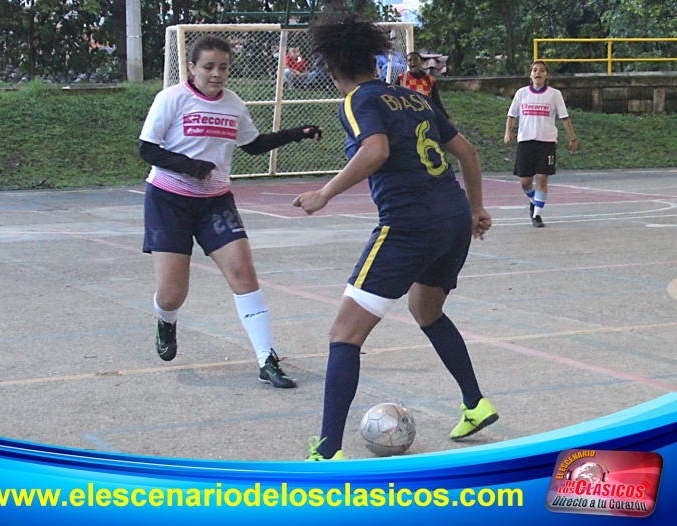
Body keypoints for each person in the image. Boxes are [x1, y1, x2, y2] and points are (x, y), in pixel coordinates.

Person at [293, 12, 498, 460]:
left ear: (331, 68)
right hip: (452, 219)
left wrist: (324, 193)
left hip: (410, 225)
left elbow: (376, 149)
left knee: (344, 334)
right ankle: (475, 403)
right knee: (427, 311)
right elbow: (465, 149)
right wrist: (476, 207)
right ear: (370, 56)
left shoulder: (357, 101)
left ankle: (326, 452)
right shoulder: (413, 97)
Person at [138, 35, 322, 389]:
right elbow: (147, 150)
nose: (216, 74)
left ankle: (266, 360)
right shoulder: (172, 99)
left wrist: (297, 133)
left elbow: (253, 146)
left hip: (215, 202)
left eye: (223, 67)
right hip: (168, 200)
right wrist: (191, 167)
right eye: (208, 67)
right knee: (172, 293)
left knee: (242, 272)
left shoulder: (233, 105)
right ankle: (166, 319)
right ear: (192, 68)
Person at [504, 60, 579, 228]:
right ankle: (535, 201)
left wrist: (573, 138)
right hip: (526, 141)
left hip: (546, 142)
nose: (538, 73)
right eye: (535, 70)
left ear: (547, 75)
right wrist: (508, 132)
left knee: (542, 179)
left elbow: (564, 117)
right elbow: (512, 115)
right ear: (530, 74)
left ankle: (537, 215)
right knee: (524, 182)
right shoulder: (522, 93)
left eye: (542, 70)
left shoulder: (554, 94)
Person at [397, 51, 451, 121]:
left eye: (416, 59)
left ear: (421, 62)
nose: (413, 62)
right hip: (408, 117)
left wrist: (446, 118)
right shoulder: (401, 79)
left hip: (425, 116)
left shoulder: (429, 80)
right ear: (407, 63)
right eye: (410, 60)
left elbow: (436, 101)